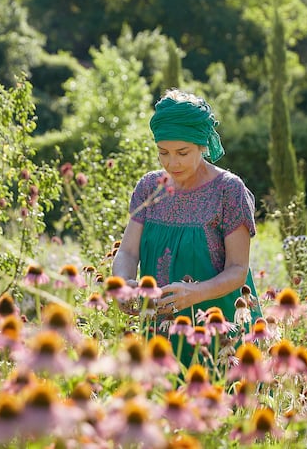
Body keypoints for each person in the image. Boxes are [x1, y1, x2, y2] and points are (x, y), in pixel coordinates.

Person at [112, 89, 262, 357]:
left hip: (219, 332)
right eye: (163, 152)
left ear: (202, 145)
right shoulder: (150, 187)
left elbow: (238, 268)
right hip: (160, 333)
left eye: (182, 152)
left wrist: (195, 293)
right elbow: (128, 251)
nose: (172, 162)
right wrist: (122, 282)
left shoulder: (229, 190)